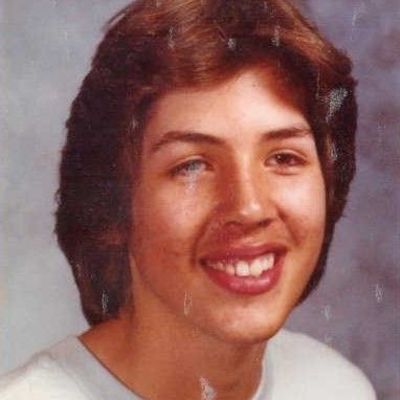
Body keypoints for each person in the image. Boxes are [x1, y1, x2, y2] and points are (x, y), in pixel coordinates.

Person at [0, 0, 376, 399]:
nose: (250, 207)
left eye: (284, 158)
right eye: (192, 166)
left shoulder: (337, 387)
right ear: (113, 206)